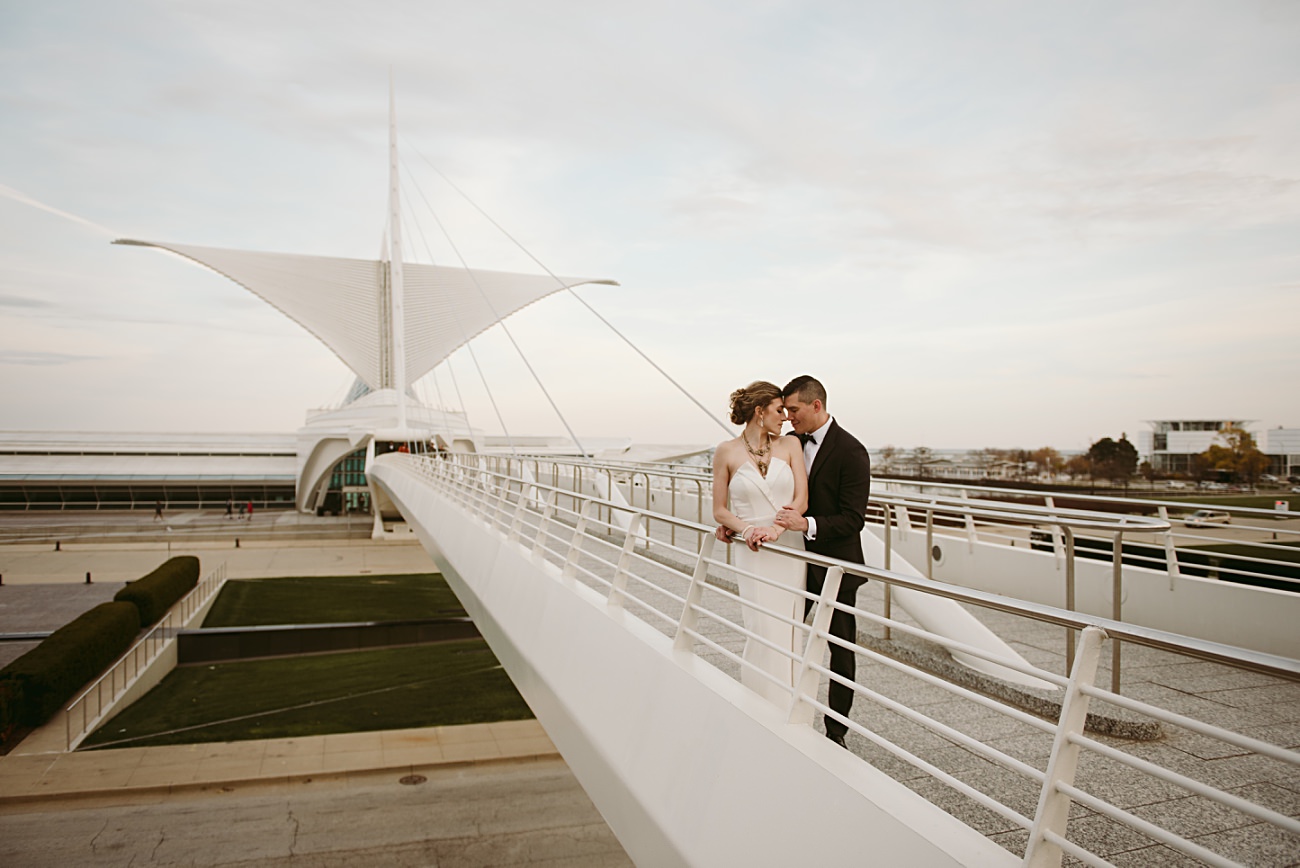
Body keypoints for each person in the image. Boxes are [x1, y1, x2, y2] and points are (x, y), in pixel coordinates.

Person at [774, 375, 872, 748]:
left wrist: (808, 524)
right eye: (784, 411)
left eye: (794, 410)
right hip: (795, 562)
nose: (788, 418)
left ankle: (836, 732)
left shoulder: (852, 451)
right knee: (782, 633)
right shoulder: (790, 443)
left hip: (836, 567)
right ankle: (778, 705)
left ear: (816, 405)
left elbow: (854, 518)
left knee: (840, 652)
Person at [712, 381, 809, 707]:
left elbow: (802, 498)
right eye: (779, 410)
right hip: (752, 551)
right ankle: (759, 701)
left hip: (788, 546)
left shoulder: (790, 445)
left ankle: (792, 704)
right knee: (761, 625)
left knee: (789, 624)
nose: (784, 417)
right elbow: (720, 509)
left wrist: (778, 530)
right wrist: (748, 530)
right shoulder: (726, 451)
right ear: (759, 411)